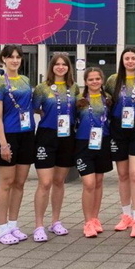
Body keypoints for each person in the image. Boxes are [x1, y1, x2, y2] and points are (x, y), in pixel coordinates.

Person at [104, 47, 135, 238]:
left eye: (133, 58)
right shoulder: (113, 80)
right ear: (122, 61)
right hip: (118, 129)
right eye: (127, 58)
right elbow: (107, 101)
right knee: (123, 174)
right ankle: (126, 215)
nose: (130, 61)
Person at [30, 53, 80, 242]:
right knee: (45, 182)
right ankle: (38, 225)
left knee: (59, 181)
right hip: (47, 136)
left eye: (64, 64)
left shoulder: (73, 87)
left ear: (68, 67)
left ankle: (55, 221)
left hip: (67, 136)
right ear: (51, 67)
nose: (60, 67)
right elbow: (35, 107)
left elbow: (77, 108)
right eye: (57, 64)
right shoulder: (42, 88)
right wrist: (44, 113)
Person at [0, 45, 36, 245]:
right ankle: (2, 229)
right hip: (8, 136)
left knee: (19, 183)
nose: (15, 60)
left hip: (27, 135)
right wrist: (3, 144)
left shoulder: (25, 80)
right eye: (11, 57)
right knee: (6, 183)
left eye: (18, 57)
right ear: (3, 59)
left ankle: (13, 225)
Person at [75, 67, 113, 238]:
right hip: (83, 143)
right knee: (89, 183)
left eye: (97, 79)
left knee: (98, 181)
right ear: (85, 82)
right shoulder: (79, 100)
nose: (94, 82)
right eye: (91, 79)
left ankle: (95, 218)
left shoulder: (108, 99)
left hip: (102, 142)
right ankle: (87, 221)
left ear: (102, 80)